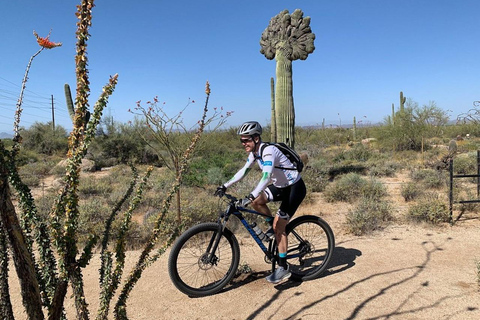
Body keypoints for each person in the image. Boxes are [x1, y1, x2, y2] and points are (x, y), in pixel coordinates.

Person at [215, 121, 306, 284]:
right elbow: (243, 171)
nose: (244, 144)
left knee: (279, 227)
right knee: (258, 202)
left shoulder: (269, 151)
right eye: (241, 141)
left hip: (294, 188)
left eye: (246, 140)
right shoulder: (254, 154)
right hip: (280, 186)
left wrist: (250, 195)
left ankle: (283, 267)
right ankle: (273, 228)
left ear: (256, 138)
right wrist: (224, 185)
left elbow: (265, 176)